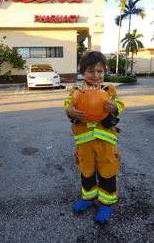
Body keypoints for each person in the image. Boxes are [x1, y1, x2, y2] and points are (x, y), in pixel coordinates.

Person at [64, 51, 125, 223]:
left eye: (100, 71)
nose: (96, 75)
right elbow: (68, 104)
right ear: (82, 73)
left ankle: (106, 203)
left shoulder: (109, 90)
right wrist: (69, 110)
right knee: (86, 170)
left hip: (106, 143)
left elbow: (120, 104)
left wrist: (114, 107)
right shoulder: (76, 91)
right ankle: (88, 198)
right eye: (90, 71)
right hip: (84, 143)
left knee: (107, 172)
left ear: (104, 72)